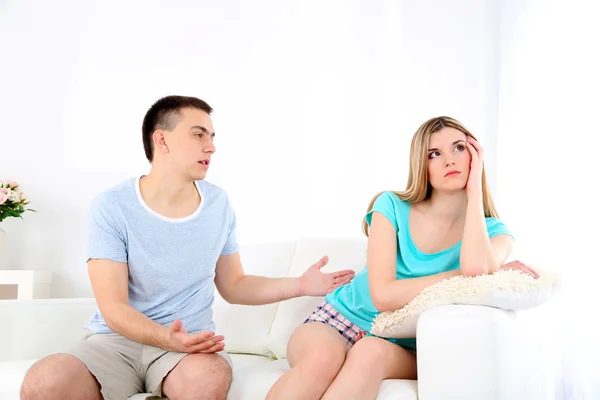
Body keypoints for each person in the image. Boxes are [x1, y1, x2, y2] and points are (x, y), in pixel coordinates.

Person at [19, 95, 356, 400]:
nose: (210, 147)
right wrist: (165, 337)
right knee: (43, 383)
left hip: (188, 347)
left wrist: (299, 285)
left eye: (211, 137)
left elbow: (234, 284)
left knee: (207, 379)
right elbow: (114, 308)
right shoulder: (113, 206)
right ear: (161, 139)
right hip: (114, 341)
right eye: (198, 135)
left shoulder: (218, 205)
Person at [266, 116, 540, 400]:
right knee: (322, 358)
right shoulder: (391, 206)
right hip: (338, 321)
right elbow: (383, 295)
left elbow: (475, 266)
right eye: (434, 154)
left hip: (405, 346)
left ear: (476, 156)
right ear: (422, 165)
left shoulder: (497, 234)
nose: (449, 160)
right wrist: (464, 277)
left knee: (370, 352)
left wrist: (474, 191)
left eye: (459, 148)